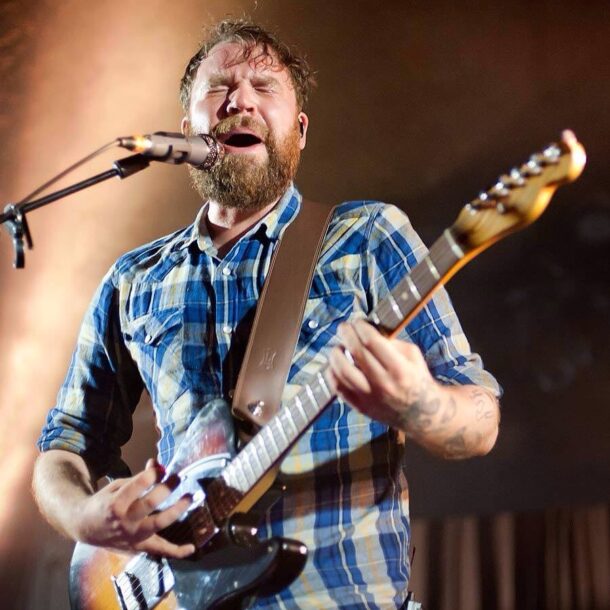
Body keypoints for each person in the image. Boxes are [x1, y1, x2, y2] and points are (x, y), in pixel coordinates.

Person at [33, 18, 501, 610]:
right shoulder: (133, 280)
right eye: (219, 86)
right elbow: (65, 444)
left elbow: (480, 418)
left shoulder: (367, 236)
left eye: (265, 85)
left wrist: (419, 404)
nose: (240, 100)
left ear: (299, 131)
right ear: (186, 132)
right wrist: (86, 517)